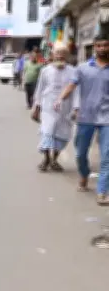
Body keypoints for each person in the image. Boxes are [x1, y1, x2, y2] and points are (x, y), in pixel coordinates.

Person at [56, 29, 109, 200]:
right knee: (80, 154)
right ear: (94, 47)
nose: (102, 48)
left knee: (107, 155)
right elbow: (71, 85)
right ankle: (84, 175)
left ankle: (102, 191)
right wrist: (60, 99)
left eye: (106, 45)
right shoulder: (83, 68)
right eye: (99, 45)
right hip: (86, 117)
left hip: (107, 118)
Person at [31, 44, 78, 172]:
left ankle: (54, 160)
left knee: (62, 135)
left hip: (65, 108)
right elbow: (39, 89)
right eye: (58, 53)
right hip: (48, 108)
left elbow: (76, 91)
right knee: (47, 132)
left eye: (63, 53)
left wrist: (76, 108)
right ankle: (46, 158)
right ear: (53, 55)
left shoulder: (73, 71)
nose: (60, 56)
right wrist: (36, 107)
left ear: (67, 56)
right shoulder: (45, 70)